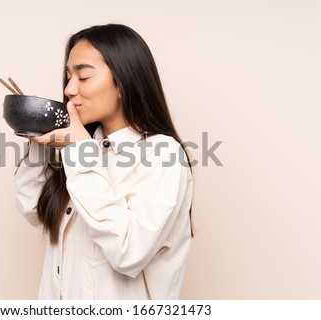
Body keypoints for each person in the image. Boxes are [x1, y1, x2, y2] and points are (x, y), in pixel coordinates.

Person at [14, 24, 194, 299]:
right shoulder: (83, 149)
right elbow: (35, 210)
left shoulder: (162, 154)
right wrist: (41, 139)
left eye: (83, 77)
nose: (69, 89)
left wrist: (77, 149)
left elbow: (129, 251)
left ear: (124, 83)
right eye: (68, 76)